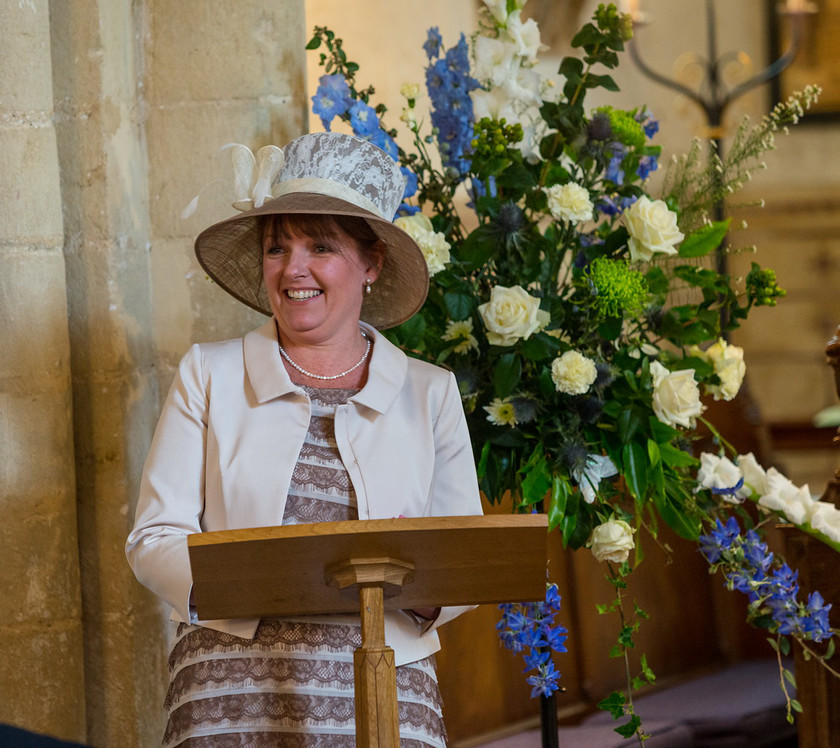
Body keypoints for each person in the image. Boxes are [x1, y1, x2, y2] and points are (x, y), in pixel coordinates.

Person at [125, 131, 482, 747]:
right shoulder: (207, 374)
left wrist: (419, 586)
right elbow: (154, 537)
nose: (293, 270)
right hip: (228, 689)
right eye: (277, 248)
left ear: (371, 263)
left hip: (387, 680)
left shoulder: (430, 392)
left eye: (321, 246)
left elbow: (466, 557)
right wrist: (242, 578)